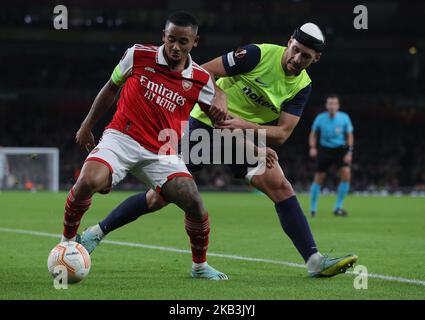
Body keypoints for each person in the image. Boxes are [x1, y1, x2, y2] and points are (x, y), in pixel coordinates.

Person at [81, 23, 358, 277]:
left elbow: (282, 134)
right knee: (158, 198)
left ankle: (314, 261)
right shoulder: (257, 55)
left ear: (315, 59)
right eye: (295, 51)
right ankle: (97, 232)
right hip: (201, 126)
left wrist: (241, 126)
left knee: (280, 186)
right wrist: (221, 96)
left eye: (305, 57)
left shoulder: (302, 86)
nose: (297, 59)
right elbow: (203, 71)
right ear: (289, 42)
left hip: (237, 133)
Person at [59, 11, 230, 280]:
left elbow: (221, 120)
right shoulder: (138, 55)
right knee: (87, 180)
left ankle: (199, 266)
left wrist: (224, 100)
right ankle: (66, 243)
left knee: (194, 201)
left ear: (195, 42)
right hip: (121, 138)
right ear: (163, 36)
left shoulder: (200, 79)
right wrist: (87, 124)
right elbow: (111, 87)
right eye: (171, 39)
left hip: (163, 152)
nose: (175, 47)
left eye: (183, 42)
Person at [309, 94, 354, 217]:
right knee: (319, 177)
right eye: (330, 103)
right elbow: (313, 134)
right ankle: (313, 208)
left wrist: (349, 152)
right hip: (325, 150)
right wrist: (312, 147)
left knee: (346, 175)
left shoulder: (344, 118)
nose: (332, 106)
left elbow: (349, 135)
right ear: (326, 105)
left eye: (334, 103)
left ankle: (338, 207)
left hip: (340, 149)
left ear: (338, 106)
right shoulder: (320, 118)